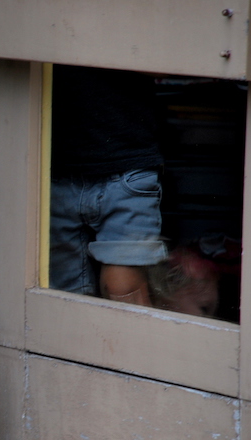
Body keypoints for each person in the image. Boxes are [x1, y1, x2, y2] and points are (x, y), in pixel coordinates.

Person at [50, 65, 166, 305]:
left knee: (124, 290)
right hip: (57, 170)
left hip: (126, 164)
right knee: (63, 297)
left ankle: (129, 342)